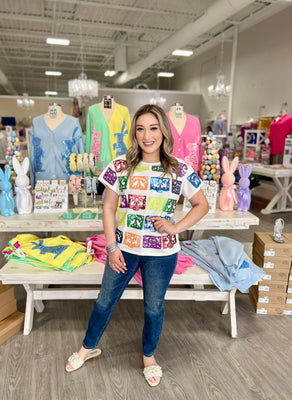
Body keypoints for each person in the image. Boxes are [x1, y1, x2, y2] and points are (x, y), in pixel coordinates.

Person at [65, 104, 209, 387]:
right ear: (134, 133)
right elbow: (108, 208)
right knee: (105, 300)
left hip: (162, 254)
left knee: (154, 308)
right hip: (123, 250)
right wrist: (111, 246)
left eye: (153, 128)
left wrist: (176, 227)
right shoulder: (120, 165)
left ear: (163, 131)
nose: (147, 135)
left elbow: (201, 204)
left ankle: (149, 356)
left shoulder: (180, 168)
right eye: (140, 129)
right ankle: (88, 347)